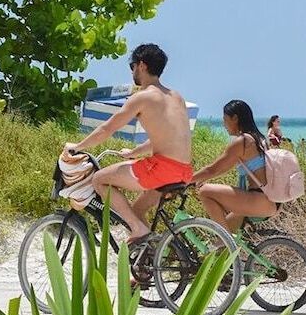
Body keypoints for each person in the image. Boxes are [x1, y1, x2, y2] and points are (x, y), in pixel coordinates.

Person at [62, 43, 193, 244]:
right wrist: (133, 153)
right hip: (184, 171)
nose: (132, 71)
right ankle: (146, 264)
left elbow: (106, 129)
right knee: (138, 209)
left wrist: (77, 147)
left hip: (162, 169)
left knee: (99, 180)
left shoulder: (142, 97)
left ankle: (138, 229)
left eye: (132, 66)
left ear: (141, 65)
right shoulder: (176, 97)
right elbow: (164, 139)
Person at [192, 100, 281, 233]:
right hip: (270, 201)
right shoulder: (259, 139)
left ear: (235, 118)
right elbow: (221, 170)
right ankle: (227, 244)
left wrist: (185, 180)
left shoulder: (244, 141)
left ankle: (224, 238)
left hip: (259, 200)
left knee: (204, 191)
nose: (224, 124)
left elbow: (213, 169)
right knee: (221, 247)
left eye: (225, 119)